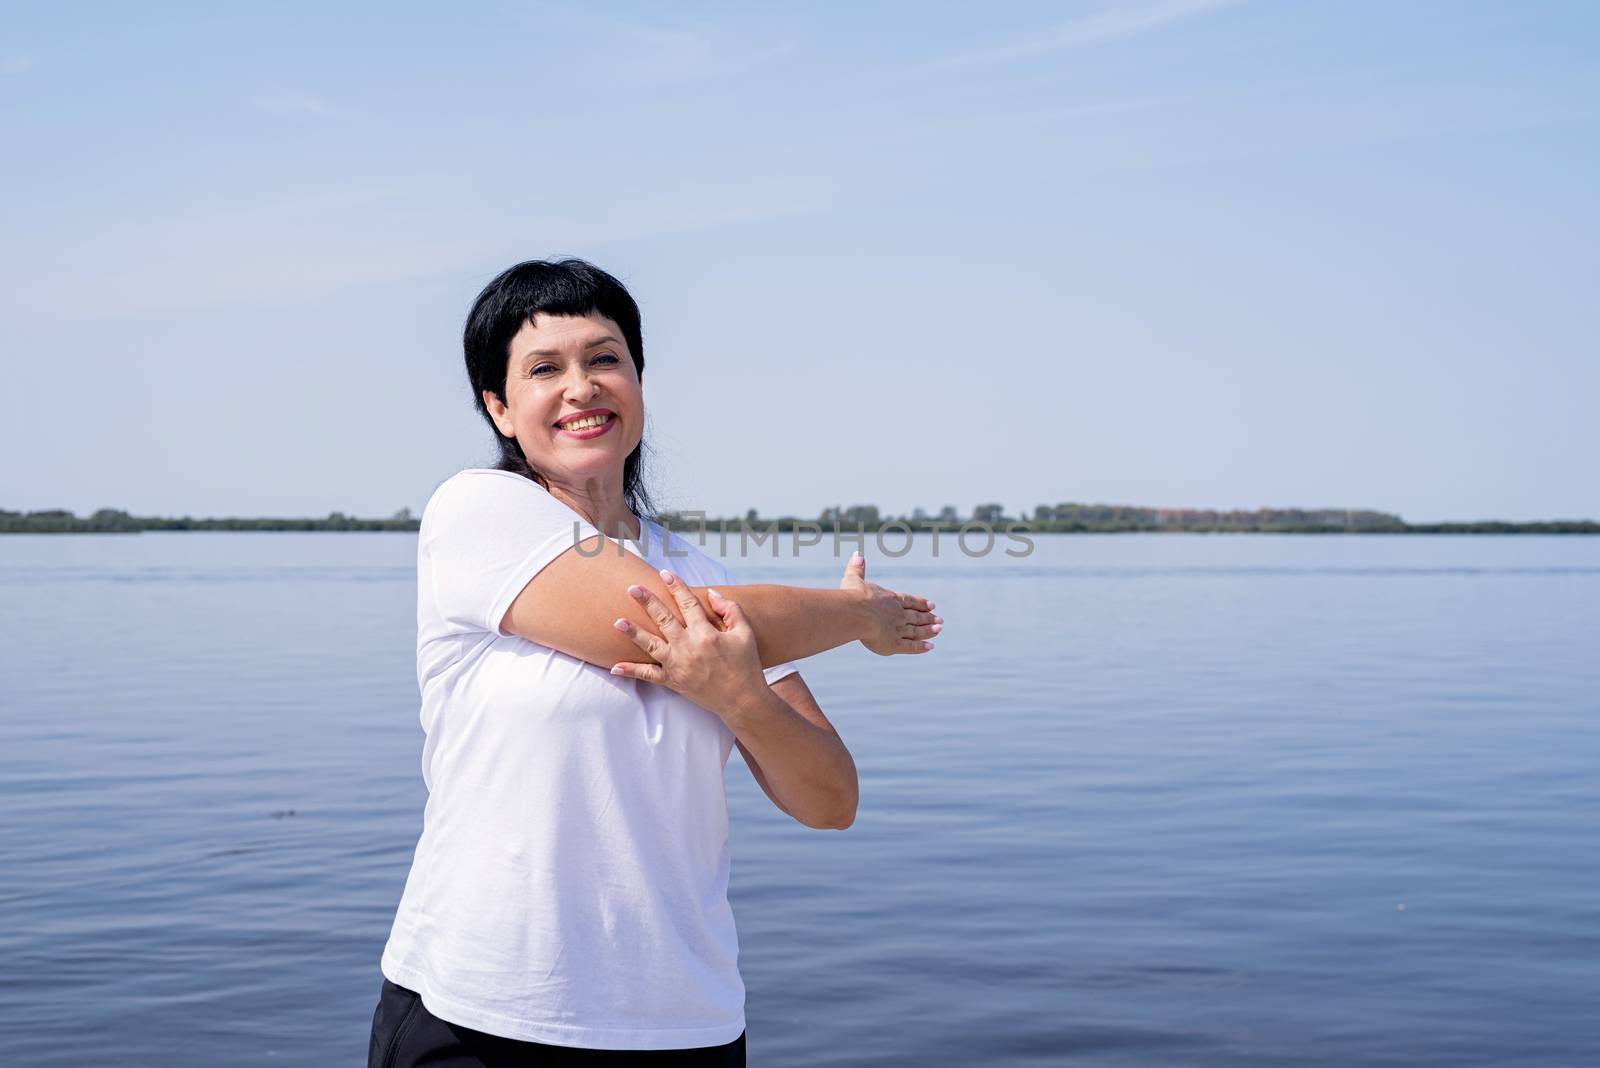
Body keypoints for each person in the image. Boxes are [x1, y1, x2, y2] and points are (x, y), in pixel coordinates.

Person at [369, 259, 943, 1066]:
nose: (582, 387)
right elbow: (673, 623)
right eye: (544, 368)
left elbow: (831, 801)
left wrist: (741, 698)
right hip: (484, 1014)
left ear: (638, 379)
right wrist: (858, 615)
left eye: (605, 359)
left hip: (685, 1025)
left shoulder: (706, 574)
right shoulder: (477, 513)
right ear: (499, 407)